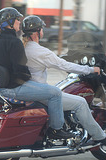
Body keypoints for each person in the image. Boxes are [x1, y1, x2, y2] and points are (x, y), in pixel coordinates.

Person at [0, 7, 74, 139]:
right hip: (11, 90)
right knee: (55, 93)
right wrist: (28, 91)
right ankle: (56, 130)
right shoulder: (15, 42)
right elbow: (21, 72)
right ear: (10, 23)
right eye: (18, 19)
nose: (19, 22)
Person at [21, 15, 106, 144]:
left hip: (28, 89)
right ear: (37, 32)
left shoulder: (22, 48)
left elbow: (59, 61)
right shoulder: (40, 51)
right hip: (41, 93)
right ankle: (100, 137)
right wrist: (90, 69)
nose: (43, 31)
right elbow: (63, 65)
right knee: (81, 103)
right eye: (42, 29)